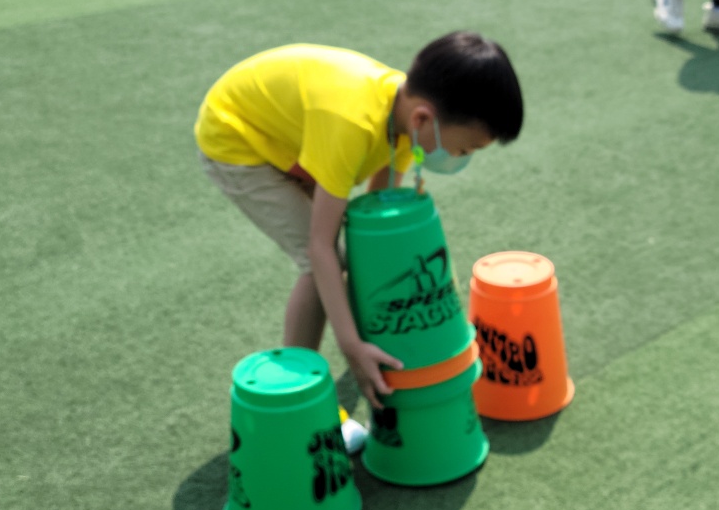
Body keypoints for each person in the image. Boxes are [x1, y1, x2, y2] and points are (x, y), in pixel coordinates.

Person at [193, 33, 524, 408]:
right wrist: (351, 345)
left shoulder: (405, 124)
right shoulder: (353, 123)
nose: (461, 158)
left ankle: (352, 354)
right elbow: (320, 247)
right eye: (464, 148)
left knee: (345, 256)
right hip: (237, 138)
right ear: (423, 118)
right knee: (319, 259)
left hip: (292, 135)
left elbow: (375, 227)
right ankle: (299, 397)